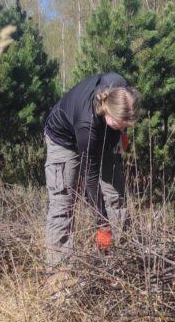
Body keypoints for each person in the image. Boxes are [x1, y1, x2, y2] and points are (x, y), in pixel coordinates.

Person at [44, 72, 140, 267]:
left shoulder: (122, 90)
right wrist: (102, 223)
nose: (123, 128)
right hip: (64, 139)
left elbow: (118, 123)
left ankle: (120, 262)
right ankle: (60, 274)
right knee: (63, 205)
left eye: (126, 126)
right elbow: (91, 177)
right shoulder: (87, 126)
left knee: (116, 196)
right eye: (120, 125)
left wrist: (121, 134)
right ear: (108, 112)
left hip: (102, 134)